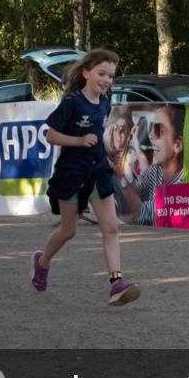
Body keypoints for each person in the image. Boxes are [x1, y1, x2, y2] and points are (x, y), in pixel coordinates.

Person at [31, 49, 140, 306]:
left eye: (111, 76)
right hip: (72, 173)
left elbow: (98, 131)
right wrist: (79, 140)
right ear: (86, 72)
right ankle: (42, 262)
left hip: (97, 171)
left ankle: (117, 284)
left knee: (111, 228)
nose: (106, 80)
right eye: (102, 73)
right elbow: (51, 136)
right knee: (68, 231)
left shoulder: (106, 100)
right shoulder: (71, 102)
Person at [114, 104, 185, 226]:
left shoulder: (183, 184)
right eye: (151, 127)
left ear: (177, 145)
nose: (150, 135)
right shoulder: (156, 169)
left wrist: (119, 177)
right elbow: (136, 190)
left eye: (158, 130)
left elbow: (139, 214)